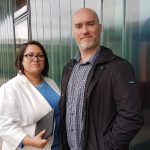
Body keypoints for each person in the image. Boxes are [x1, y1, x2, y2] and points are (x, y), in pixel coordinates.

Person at [59, 8, 144, 150]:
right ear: (73, 32)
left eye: (90, 24)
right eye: (78, 26)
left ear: (100, 28)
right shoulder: (68, 69)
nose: (85, 30)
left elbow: (131, 117)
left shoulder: (118, 67)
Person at [0, 40, 60, 150]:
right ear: (21, 60)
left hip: (56, 144)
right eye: (30, 55)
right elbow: (5, 127)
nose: (36, 59)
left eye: (40, 55)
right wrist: (31, 141)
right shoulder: (10, 88)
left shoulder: (50, 82)